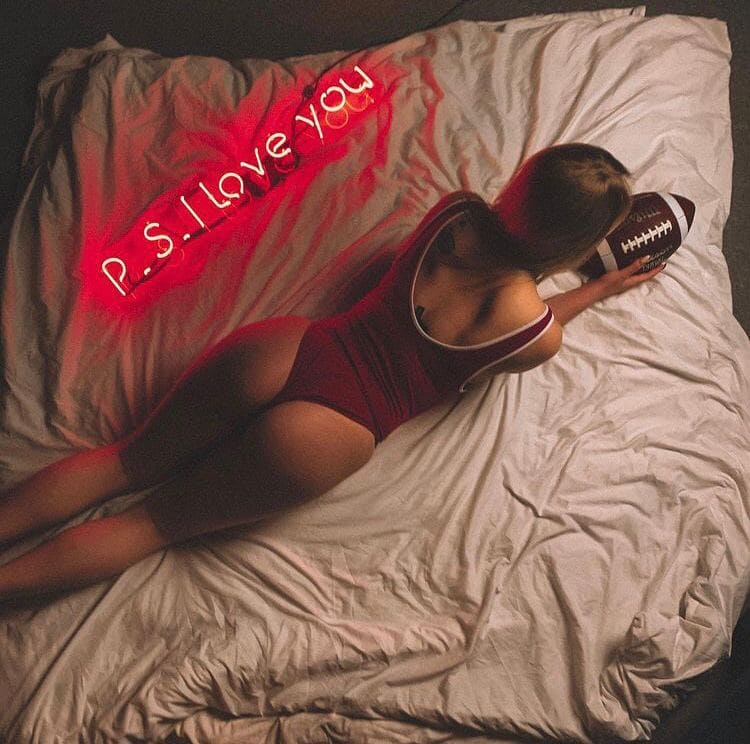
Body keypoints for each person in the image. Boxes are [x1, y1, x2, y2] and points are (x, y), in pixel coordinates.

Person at [0, 143, 664, 600]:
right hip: (333, 433)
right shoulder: (536, 336)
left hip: (294, 351)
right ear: (576, 243)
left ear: (524, 181)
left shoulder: (455, 214)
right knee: (151, 525)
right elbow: (532, 319)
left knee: (120, 463)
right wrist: (596, 290)